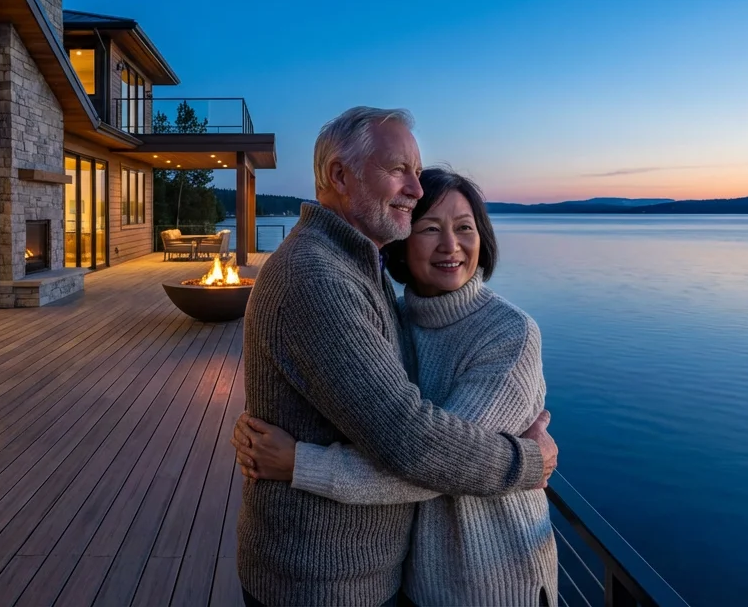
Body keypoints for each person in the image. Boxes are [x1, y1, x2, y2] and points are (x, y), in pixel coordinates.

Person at [236, 106, 558, 606]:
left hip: (460, 579)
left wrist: (300, 461)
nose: (414, 188)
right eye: (398, 170)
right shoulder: (319, 276)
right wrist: (526, 462)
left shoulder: (364, 273)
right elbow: (411, 441)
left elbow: (413, 441)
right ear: (340, 176)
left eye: (465, 227)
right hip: (323, 585)